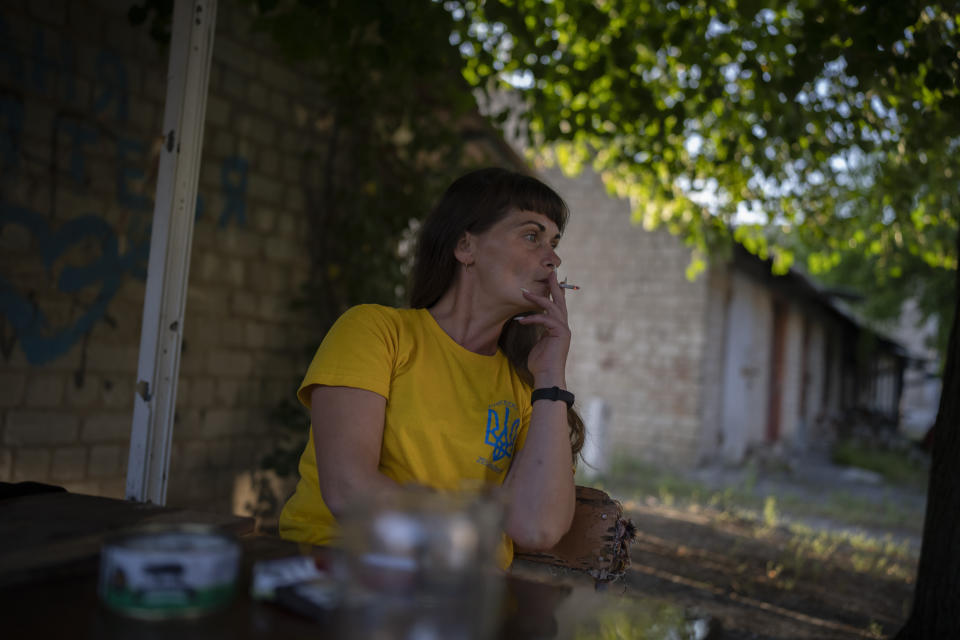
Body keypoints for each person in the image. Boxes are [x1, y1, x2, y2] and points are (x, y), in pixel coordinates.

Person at [278, 167, 585, 568]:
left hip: (459, 605)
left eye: (555, 242)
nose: (554, 257)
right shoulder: (376, 332)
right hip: (341, 576)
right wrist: (470, 539)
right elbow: (350, 491)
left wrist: (550, 378)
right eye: (532, 235)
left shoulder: (527, 389)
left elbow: (537, 528)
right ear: (466, 247)